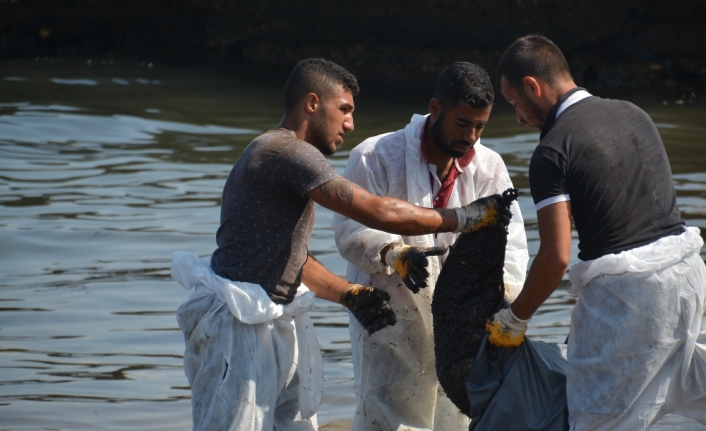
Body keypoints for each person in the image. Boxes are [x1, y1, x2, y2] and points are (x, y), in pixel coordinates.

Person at [172, 58, 515, 431]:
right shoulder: (287, 151)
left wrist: (350, 294)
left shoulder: (282, 157)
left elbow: (291, 258)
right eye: (345, 110)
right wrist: (463, 219)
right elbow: (378, 212)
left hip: (269, 315)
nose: (350, 124)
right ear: (312, 103)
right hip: (238, 325)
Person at [487, 35, 706, 430]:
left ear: (532, 86)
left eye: (514, 102)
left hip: (631, 297)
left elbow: (555, 258)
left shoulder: (552, 150)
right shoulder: (633, 112)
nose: (518, 116)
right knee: (692, 385)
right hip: (688, 277)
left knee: (597, 420)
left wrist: (514, 319)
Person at [332, 62, 529, 431]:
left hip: (463, 322)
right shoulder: (375, 156)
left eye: (479, 126)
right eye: (462, 123)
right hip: (393, 315)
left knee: (456, 416)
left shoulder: (489, 167)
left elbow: (513, 243)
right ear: (435, 109)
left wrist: (504, 293)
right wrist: (394, 253)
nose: (471, 135)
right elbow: (349, 228)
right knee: (388, 416)